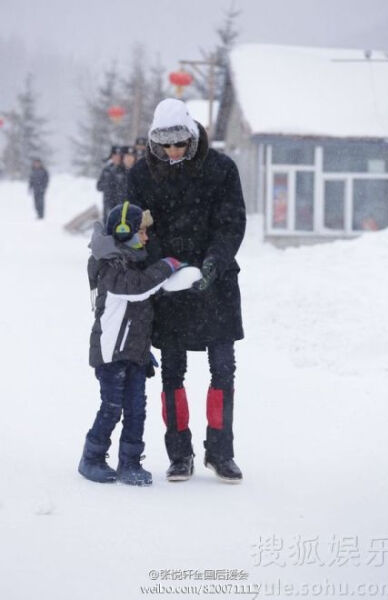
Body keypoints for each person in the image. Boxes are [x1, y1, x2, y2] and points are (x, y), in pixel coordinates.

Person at [128, 98, 246, 484]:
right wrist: (164, 265)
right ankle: (179, 454)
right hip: (170, 282)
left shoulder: (221, 169)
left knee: (223, 369)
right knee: (172, 371)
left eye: (180, 144)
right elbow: (140, 227)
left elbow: (231, 222)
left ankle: (220, 452)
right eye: (166, 146)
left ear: (192, 136)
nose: (174, 152)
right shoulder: (143, 175)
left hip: (217, 280)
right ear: (155, 143)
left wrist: (215, 260)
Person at [78, 201, 183, 486]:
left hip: (133, 353)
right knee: (112, 406)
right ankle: (91, 458)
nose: (146, 237)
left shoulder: (132, 260)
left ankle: (130, 463)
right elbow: (136, 290)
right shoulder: (110, 264)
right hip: (110, 353)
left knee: (136, 408)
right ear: (124, 232)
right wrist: (165, 267)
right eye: (141, 231)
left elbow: (137, 316)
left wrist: (143, 349)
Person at [96, 145, 126, 223]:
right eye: (115, 155)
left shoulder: (125, 170)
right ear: (111, 156)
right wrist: (108, 184)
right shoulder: (106, 170)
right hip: (108, 203)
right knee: (108, 225)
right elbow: (99, 187)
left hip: (121, 204)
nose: (117, 158)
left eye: (119, 156)